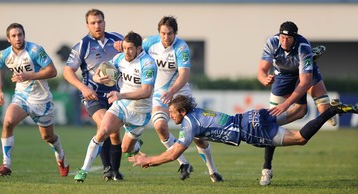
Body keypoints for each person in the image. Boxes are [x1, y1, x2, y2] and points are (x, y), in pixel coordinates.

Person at [128, 95, 358, 183]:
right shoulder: (196, 118)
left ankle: (330, 111)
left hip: (250, 131)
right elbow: (201, 139)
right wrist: (212, 171)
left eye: (172, 112)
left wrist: (148, 160)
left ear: (183, 113)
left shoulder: (189, 124)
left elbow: (174, 153)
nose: (170, 115)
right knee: (298, 112)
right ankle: (312, 88)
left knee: (300, 138)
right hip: (252, 116)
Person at [142, 16, 221, 181]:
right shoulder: (149, 43)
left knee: (198, 136)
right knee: (160, 127)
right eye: (163, 33)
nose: (166, 37)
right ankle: (183, 163)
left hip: (180, 93)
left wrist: (171, 91)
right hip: (159, 94)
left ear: (175, 33)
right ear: (159, 33)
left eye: (169, 33)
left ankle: (212, 170)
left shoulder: (181, 47)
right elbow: (134, 51)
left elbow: (184, 75)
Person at [256, 21, 336, 185]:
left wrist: (286, 105)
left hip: (305, 73)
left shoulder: (303, 47)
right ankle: (266, 169)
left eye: (288, 38)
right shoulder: (272, 42)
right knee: (276, 122)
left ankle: (333, 110)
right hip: (283, 76)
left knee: (325, 112)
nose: (284, 41)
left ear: (295, 38)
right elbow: (261, 71)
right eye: (282, 37)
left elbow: (305, 82)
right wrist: (265, 79)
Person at [73, 31, 157, 183]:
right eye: (124, 48)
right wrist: (99, 78)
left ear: (139, 49)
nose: (126, 52)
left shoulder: (148, 64)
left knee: (126, 149)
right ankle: (84, 170)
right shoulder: (120, 58)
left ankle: (136, 146)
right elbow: (97, 73)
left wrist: (121, 95)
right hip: (122, 106)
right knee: (103, 131)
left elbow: (147, 91)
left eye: (130, 48)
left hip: (140, 111)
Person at [0, 23, 69, 177]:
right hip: (21, 97)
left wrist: (28, 76)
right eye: (14, 35)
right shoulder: (3, 55)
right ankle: (6, 164)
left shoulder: (35, 50)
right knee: (7, 122)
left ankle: (60, 154)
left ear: (24, 35)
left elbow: (52, 71)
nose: (18, 38)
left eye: (20, 34)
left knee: (48, 137)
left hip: (42, 100)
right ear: (8, 39)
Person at [63, 9, 124, 181]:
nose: (97, 25)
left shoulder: (118, 39)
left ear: (105, 22)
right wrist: (83, 88)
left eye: (99, 22)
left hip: (116, 95)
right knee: (105, 126)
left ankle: (115, 171)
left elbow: (136, 51)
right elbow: (68, 72)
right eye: (93, 23)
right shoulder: (83, 45)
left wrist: (127, 48)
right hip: (94, 96)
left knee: (114, 133)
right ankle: (107, 169)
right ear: (87, 25)